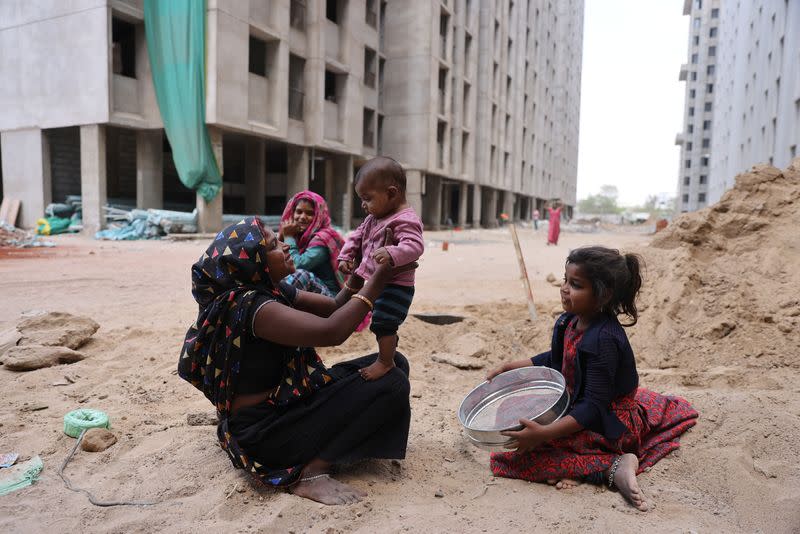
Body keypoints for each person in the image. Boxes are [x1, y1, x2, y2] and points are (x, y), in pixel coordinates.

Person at [178, 216, 415, 505]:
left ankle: (320, 451)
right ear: (255, 262)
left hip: (284, 408)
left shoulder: (271, 290)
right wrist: (379, 280)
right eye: (274, 245)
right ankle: (311, 471)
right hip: (265, 434)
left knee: (394, 362)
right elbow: (333, 331)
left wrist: (359, 274)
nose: (286, 246)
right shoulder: (254, 306)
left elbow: (333, 307)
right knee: (392, 383)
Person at [485, 246, 698, 511]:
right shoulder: (569, 321)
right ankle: (572, 460)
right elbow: (556, 358)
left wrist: (543, 434)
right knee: (510, 415)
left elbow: (594, 407)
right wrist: (512, 367)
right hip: (576, 405)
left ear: (603, 295)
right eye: (565, 280)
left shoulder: (603, 339)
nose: (564, 288)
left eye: (575, 285)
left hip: (607, 419)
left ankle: (614, 465)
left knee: (514, 457)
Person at [338, 156, 424, 381]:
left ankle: (385, 362)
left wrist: (392, 253)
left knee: (383, 323)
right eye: (361, 199)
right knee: (381, 321)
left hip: (397, 286)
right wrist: (346, 254)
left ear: (392, 193)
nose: (363, 205)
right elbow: (356, 236)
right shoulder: (374, 217)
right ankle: (389, 349)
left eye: (367, 198)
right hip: (377, 282)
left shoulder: (405, 219)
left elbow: (415, 246)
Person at [279, 191, 344, 297]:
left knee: (301, 275)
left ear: (319, 215)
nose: (302, 217)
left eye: (310, 213)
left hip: (331, 297)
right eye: (299, 212)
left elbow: (296, 265)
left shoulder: (323, 239)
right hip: (309, 294)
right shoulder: (298, 236)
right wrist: (281, 236)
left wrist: (289, 237)